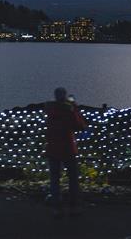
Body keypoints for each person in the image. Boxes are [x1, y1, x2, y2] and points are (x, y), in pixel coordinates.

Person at [44, 86, 87, 215]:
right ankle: (73, 206)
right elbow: (80, 126)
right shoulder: (68, 110)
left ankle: (56, 208)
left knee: (54, 179)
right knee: (73, 179)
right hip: (68, 148)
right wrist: (74, 107)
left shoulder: (49, 109)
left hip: (52, 148)